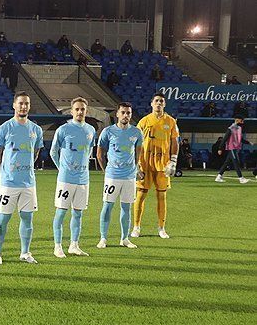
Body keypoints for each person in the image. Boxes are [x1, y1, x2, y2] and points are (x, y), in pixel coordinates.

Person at [0, 92, 44, 264]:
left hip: (28, 183)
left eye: (26, 104)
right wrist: (3, 171)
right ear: (14, 105)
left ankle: (25, 252)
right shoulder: (4, 128)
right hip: (8, 183)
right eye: (20, 103)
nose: (23, 106)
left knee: (27, 218)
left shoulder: (36, 130)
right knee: (3, 219)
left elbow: (35, 152)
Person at [50, 97, 97, 258]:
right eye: (77, 109)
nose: (80, 112)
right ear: (71, 111)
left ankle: (74, 245)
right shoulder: (63, 130)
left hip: (83, 180)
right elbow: (53, 151)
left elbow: (89, 150)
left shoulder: (91, 130)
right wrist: (61, 168)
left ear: (86, 111)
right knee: (61, 212)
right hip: (66, 179)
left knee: (78, 213)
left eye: (82, 109)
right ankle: (57, 246)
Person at [96, 102, 143, 249]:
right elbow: (99, 154)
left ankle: (124, 238)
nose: (125, 115)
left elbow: (138, 154)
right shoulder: (108, 131)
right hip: (112, 176)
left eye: (128, 113)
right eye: (123, 112)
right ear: (117, 114)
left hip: (129, 177)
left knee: (126, 208)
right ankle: (103, 238)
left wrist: (135, 169)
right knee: (107, 206)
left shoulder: (136, 132)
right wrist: (106, 171)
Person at [132, 93, 179, 239]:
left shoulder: (170, 121)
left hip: (162, 164)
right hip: (144, 163)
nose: (159, 103)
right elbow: (135, 143)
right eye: (156, 101)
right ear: (151, 103)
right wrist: (136, 164)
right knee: (140, 195)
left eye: (161, 101)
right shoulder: (144, 121)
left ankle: (161, 228)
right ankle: (136, 227)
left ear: (164, 104)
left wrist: (173, 161)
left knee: (161, 195)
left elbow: (175, 142)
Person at [215, 117, 250, 184]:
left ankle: (219, 177)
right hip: (232, 147)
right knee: (236, 162)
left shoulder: (239, 128)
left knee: (227, 162)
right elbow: (224, 139)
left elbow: (241, 139)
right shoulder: (231, 128)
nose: (243, 122)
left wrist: (248, 142)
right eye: (242, 120)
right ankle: (241, 178)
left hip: (236, 148)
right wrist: (220, 148)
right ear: (237, 120)